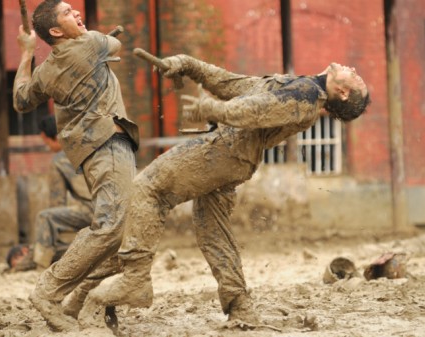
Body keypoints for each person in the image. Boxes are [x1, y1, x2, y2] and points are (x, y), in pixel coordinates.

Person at [76, 55, 370, 330]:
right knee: (213, 231)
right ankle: (240, 306)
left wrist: (213, 109)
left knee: (148, 188)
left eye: (356, 78)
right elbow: (233, 84)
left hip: (222, 153)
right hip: (235, 160)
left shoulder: (306, 95)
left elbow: (255, 112)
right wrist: (188, 65)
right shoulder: (301, 87)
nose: (354, 70)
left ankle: (134, 280)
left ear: (343, 94)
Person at [13, 0, 139, 331]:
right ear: (55, 31)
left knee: (124, 236)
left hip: (94, 151)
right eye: (69, 13)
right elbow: (116, 43)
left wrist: (27, 52)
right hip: (109, 145)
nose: (77, 14)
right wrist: (93, 38)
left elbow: (21, 99)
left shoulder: (47, 71)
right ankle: (49, 290)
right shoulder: (92, 43)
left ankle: (86, 300)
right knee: (112, 228)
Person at [6, 115, 92, 272]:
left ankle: (39, 266)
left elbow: (57, 203)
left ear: (51, 138)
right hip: (115, 204)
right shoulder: (87, 147)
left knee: (45, 217)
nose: (47, 147)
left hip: (93, 210)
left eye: (45, 142)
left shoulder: (59, 160)